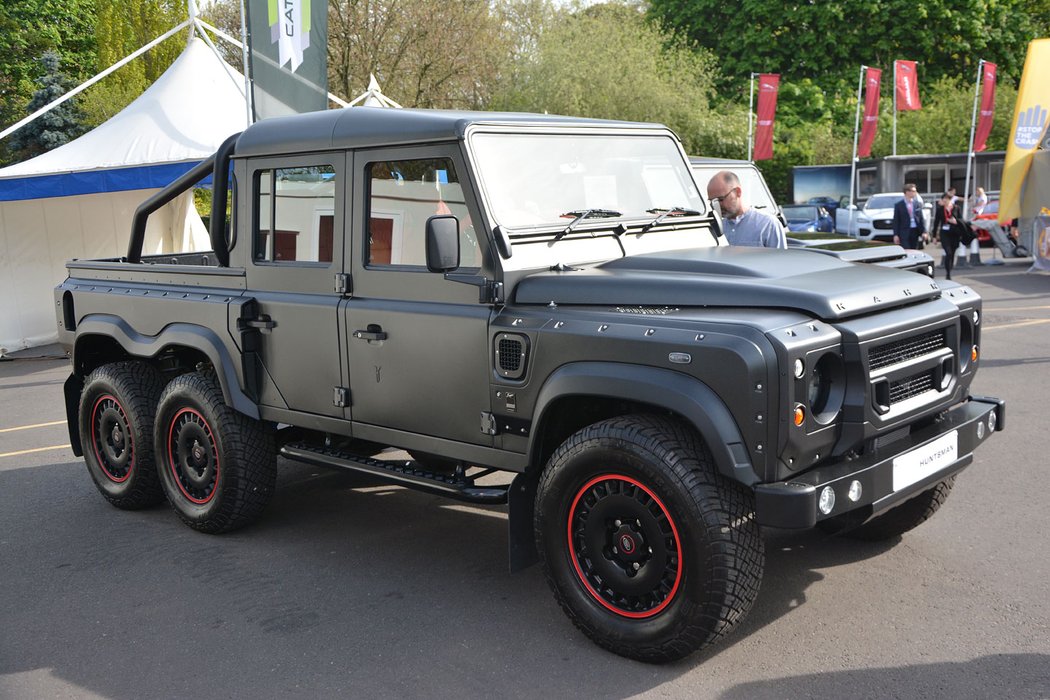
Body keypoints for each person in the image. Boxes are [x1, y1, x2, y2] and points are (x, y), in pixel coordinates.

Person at [706, 170, 786, 248]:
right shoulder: (714, 227)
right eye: (713, 202)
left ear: (738, 192)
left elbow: (780, 260)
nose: (717, 206)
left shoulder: (768, 224)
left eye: (721, 199)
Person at [933, 192, 962, 280]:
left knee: (952, 253)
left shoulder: (956, 208)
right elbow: (936, 223)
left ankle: (950, 267)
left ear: (950, 200)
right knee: (948, 252)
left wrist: (955, 221)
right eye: (943, 199)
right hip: (944, 233)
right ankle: (948, 273)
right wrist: (934, 236)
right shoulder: (940, 209)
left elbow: (961, 220)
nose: (945, 201)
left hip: (954, 233)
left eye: (946, 199)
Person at [892, 183, 926, 249]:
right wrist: (895, 235)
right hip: (904, 232)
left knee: (914, 250)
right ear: (907, 192)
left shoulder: (917, 204)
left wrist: (924, 232)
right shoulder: (899, 205)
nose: (915, 193)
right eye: (913, 191)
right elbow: (896, 221)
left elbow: (921, 218)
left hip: (915, 231)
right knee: (907, 250)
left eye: (915, 191)